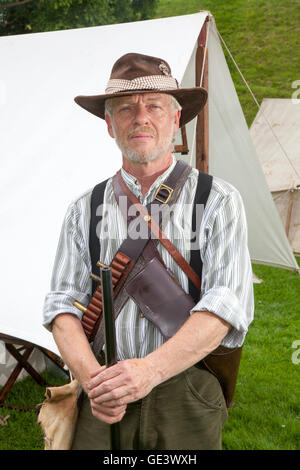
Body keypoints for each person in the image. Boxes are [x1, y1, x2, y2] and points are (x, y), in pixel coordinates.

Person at [43, 52, 254, 450]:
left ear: (175, 120)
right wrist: (94, 382)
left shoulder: (219, 200)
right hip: (101, 395)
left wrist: (149, 371)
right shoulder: (83, 208)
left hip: (186, 392)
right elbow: (61, 306)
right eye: (126, 108)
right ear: (109, 125)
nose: (141, 117)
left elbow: (227, 305)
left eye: (154, 106)